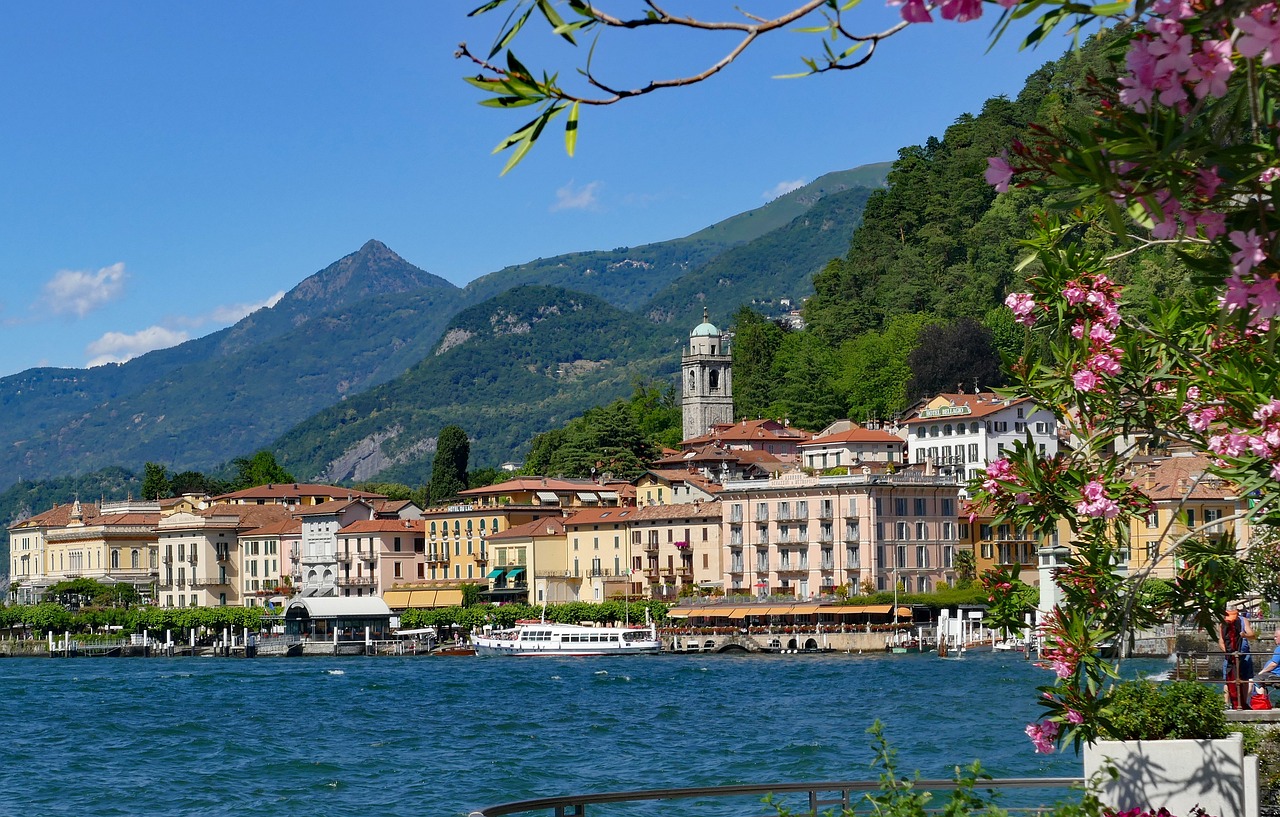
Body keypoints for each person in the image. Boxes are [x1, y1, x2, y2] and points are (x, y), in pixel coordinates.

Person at [1219, 607, 1256, 709]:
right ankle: (1226, 704)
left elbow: (1253, 635)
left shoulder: (1243, 621)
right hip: (1230, 656)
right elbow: (1221, 641)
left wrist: (1245, 635)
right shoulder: (1223, 623)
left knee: (1245, 679)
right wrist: (1228, 653)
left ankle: (1243, 703)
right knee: (1228, 679)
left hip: (1244, 655)